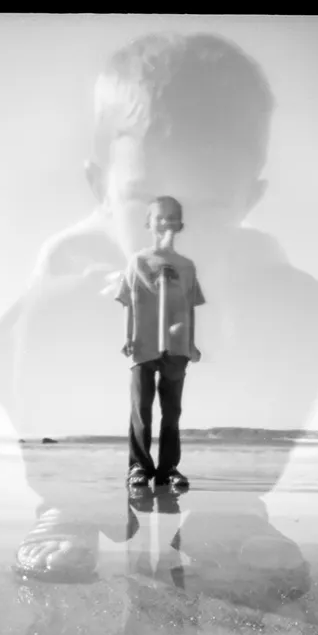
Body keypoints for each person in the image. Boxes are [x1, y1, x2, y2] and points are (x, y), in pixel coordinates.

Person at [0, 31, 318, 587]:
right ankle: (71, 505)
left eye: (207, 205)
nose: (173, 227)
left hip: (198, 389)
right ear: (101, 186)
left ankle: (231, 507)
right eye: (146, 199)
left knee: (306, 307)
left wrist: (230, 323)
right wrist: (65, 464)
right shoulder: (73, 260)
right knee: (52, 312)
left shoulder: (264, 271)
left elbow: (312, 332)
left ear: (249, 199)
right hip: (99, 396)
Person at [113, 196, 204, 490]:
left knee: (172, 411)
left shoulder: (187, 266)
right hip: (144, 344)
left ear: (181, 224)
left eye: (171, 217)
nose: (165, 222)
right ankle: (139, 466)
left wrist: (192, 343)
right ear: (148, 222)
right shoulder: (138, 261)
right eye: (159, 217)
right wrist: (127, 337)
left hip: (177, 347)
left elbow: (189, 307)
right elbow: (128, 300)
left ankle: (168, 469)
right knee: (141, 409)